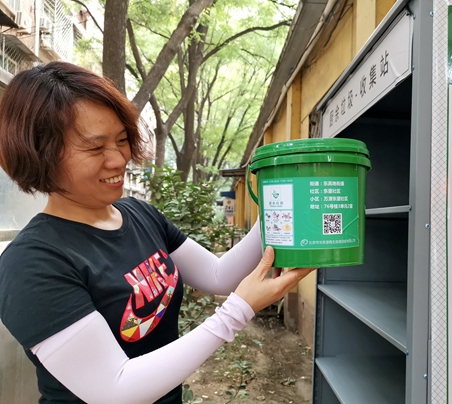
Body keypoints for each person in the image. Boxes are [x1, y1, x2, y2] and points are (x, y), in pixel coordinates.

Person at [0, 61, 315, 404]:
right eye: (95, 147)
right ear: (39, 154)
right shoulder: (31, 264)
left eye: (122, 140)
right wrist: (238, 311)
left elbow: (218, 275)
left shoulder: (139, 215)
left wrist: (279, 204)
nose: (118, 159)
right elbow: (115, 389)